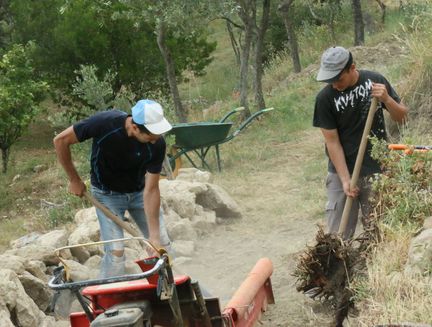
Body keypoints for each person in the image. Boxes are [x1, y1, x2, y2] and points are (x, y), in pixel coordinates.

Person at [54, 99, 173, 278]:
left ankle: (170, 289)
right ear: (134, 127)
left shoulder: (157, 144)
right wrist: (74, 179)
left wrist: (154, 237)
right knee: (116, 253)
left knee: (162, 244)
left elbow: (152, 190)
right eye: (150, 136)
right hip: (106, 194)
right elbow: (60, 140)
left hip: (139, 192)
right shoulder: (105, 124)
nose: (155, 140)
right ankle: (108, 298)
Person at [313, 46, 408, 239]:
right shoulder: (324, 99)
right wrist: (346, 179)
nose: (334, 85)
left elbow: (403, 118)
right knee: (337, 237)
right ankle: (341, 267)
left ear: (352, 67)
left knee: (379, 232)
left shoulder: (375, 82)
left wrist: (387, 99)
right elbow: (332, 142)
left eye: (338, 79)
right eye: (329, 80)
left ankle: (374, 268)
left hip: (376, 168)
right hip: (341, 170)